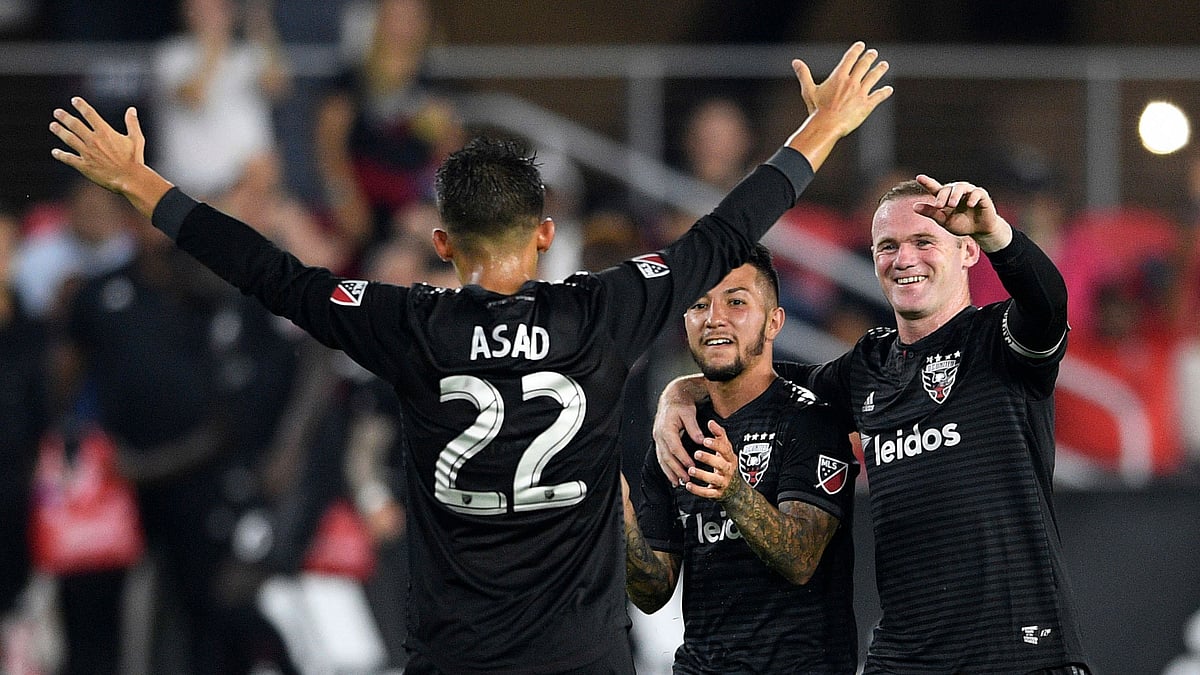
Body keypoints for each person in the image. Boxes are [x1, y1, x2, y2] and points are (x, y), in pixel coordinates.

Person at [48, 40, 892, 673]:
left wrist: (144, 185)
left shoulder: (411, 325)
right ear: (546, 234)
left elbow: (274, 275)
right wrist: (820, 126)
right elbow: (725, 231)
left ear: (444, 243)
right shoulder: (603, 312)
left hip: (456, 656)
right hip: (580, 658)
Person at [653, 177, 1092, 673]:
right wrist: (682, 390)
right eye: (888, 246)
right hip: (904, 657)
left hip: (1017, 651)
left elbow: (1048, 303)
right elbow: (761, 383)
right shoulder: (867, 366)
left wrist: (997, 234)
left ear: (968, 251)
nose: (904, 259)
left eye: (923, 241)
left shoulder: (999, 340)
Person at [623, 243, 859, 673]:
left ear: (774, 322)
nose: (714, 317)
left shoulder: (810, 420)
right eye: (699, 305)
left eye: (736, 302)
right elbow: (652, 592)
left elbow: (801, 560)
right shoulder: (675, 435)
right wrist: (618, 516)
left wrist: (734, 491)